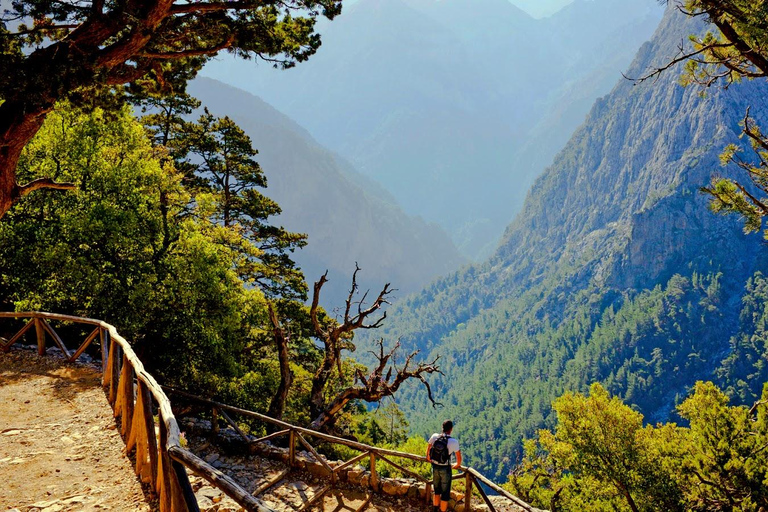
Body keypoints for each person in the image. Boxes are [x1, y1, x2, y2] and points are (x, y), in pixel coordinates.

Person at [426, 420, 462, 512]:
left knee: (436, 491)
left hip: (435, 467)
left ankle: (435, 509)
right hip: (445, 469)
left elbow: (429, 447)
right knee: (445, 494)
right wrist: (457, 465)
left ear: (442, 427)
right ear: (451, 429)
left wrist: (428, 457)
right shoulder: (453, 442)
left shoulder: (435, 436)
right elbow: (459, 459)